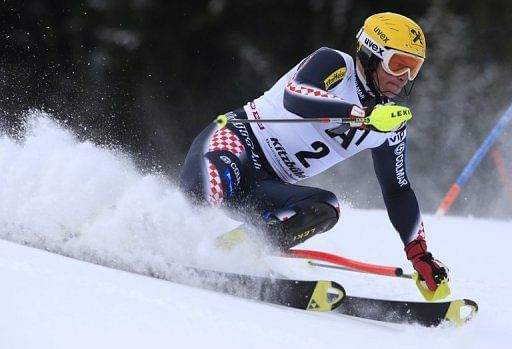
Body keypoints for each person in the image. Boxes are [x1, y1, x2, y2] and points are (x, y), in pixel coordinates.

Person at [179, 12, 449, 293]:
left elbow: (398, 191)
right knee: (199, 200)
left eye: (413, 69)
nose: (403, 78)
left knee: (325, 208)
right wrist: (361, 114)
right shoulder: (335, 64)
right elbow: (296, 95)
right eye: (397, 65)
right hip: (234, 144)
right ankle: (152, 237)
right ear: (371, 54)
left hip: (264, 186)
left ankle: (233, 252)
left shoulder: (389, 124)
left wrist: (419, 254)